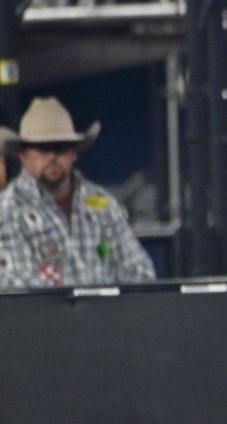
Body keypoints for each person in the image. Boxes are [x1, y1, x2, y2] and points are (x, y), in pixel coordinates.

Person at [0, 98, 155, 288]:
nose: (52, 156)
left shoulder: (103, 203)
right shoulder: (7, 211)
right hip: (44, 317)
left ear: (74, 153)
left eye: (61, 147)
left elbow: (140, 273)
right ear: (23, 155)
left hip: (108, 316)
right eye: (42, 148)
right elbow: (17, 290)